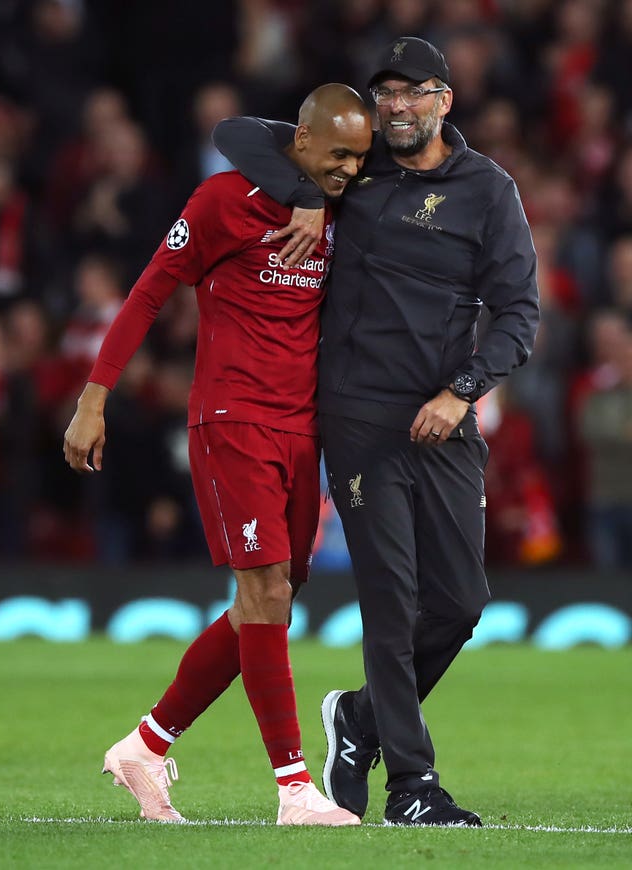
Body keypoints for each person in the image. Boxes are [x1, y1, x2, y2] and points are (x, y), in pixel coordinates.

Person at [212, 37, 539, 826]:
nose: (397, 106)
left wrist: (462, 393)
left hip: (443, 418)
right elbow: (239, 134)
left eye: (414, 91)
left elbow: (519, 316)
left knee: (460, 604)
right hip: (358, 415)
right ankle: (413, 787)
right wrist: (298, 188)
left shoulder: (488, 190)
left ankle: (356, 720)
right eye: (385, 92)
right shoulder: (352, 173)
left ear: (444, 101)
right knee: (392, 603)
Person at [63, 83, 372, 825]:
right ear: (300, 140)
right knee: (264, 593)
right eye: (336, 156)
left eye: (359, 160)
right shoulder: (219, 203)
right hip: (232, 419)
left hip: (304, 429)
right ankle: (294, 788)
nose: (350, 172)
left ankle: (145, 743)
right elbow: (144, 294)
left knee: (269, 603)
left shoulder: (336, 206)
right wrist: (95, 396)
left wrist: (314, 191)